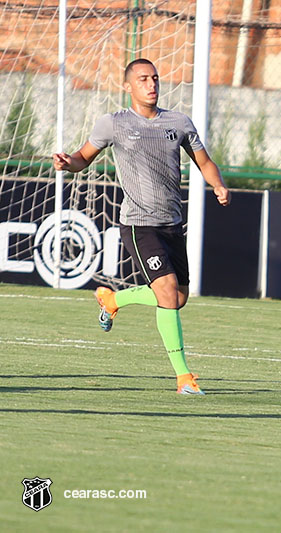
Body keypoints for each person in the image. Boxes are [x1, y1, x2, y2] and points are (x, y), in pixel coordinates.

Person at [52, 58, 231, 395]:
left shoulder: (178, 122)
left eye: (155, 79)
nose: (151, 85)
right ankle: (184, 378)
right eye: (143, 79)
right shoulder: (113, 124)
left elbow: (205, 162)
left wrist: (218, 185)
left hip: (172, 224)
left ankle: (113, 301)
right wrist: (67, 163)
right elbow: (82, 157)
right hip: (138, 224)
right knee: (165, 290)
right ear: (128, 86)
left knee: (178, 298)